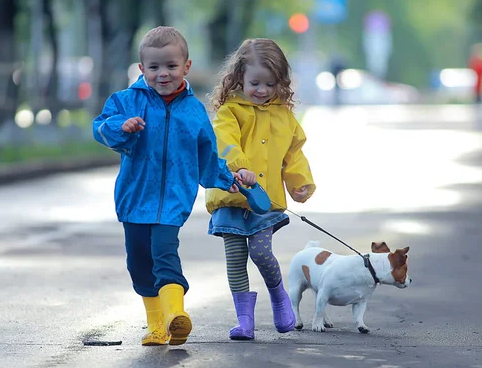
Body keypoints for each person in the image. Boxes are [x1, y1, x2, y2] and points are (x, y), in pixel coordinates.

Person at [92, 26, 242, 347]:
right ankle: (156, 325)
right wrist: (123, 126)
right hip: (134, 199)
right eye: (155, 67)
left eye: (171, 66)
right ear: (142, 68)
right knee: (139, 263)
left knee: (164, 254)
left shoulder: (193, 110)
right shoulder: (127, 102)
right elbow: (101, 129)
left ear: (186, 67)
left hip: (173, 202)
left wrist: (228, 179)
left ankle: (177, 316)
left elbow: (207, 155)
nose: (163, 74)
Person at [206, 38, 316, 340]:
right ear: (239, 76)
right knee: (235, 258)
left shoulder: (285, 117)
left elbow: (294, 153)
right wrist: (239, 165)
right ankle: (244, 321)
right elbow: (224, 140)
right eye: (255, 83)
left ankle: (279, 296)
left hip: (262, 201)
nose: (262, 90)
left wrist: (299, 183)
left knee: (261, 253)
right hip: (230, 197)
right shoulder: (230, 111)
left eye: (270, 84)